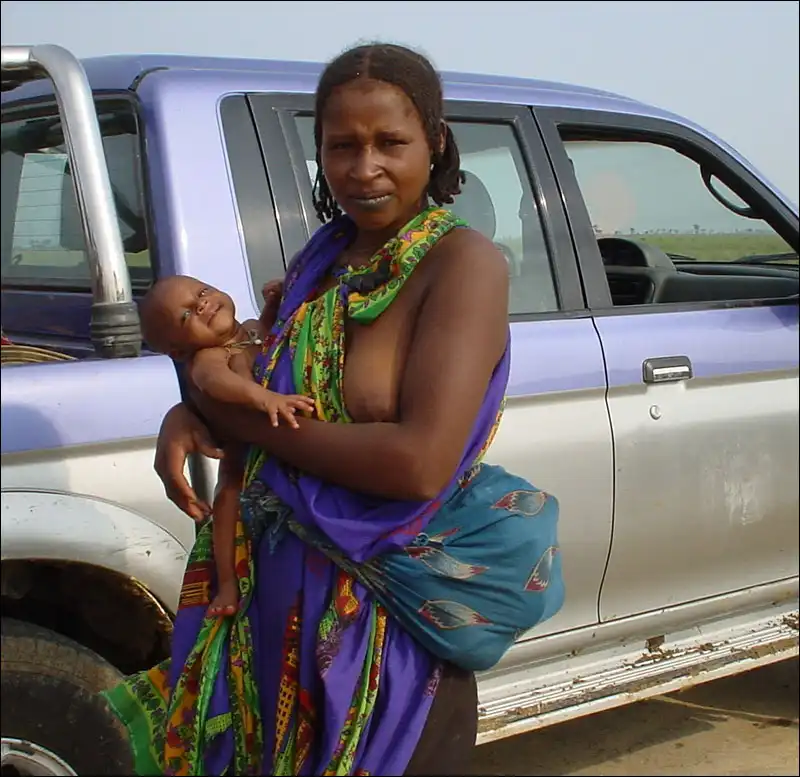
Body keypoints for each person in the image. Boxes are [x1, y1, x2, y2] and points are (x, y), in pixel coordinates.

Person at [103, 42, 562, 776]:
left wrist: (235, 420)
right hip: (271, 616)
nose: (364, 168)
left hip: (383, 630)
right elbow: (253, 365)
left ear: (434, 141)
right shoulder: (323, 258)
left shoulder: (461, 264)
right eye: (341, 146)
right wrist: (190, 410)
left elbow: (417, 465)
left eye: (390, 143)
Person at [140, 275, 314, 617]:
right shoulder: (208, 358)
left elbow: (269, 338)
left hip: (281, 450)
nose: (202, 304)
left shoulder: (249, 328)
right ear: (178, 351)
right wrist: (264, 398)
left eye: (202, 292)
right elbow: (217, 383)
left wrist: (273, 307)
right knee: (227, 498)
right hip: (240, 451)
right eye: (187, 314)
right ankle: (228, 583)